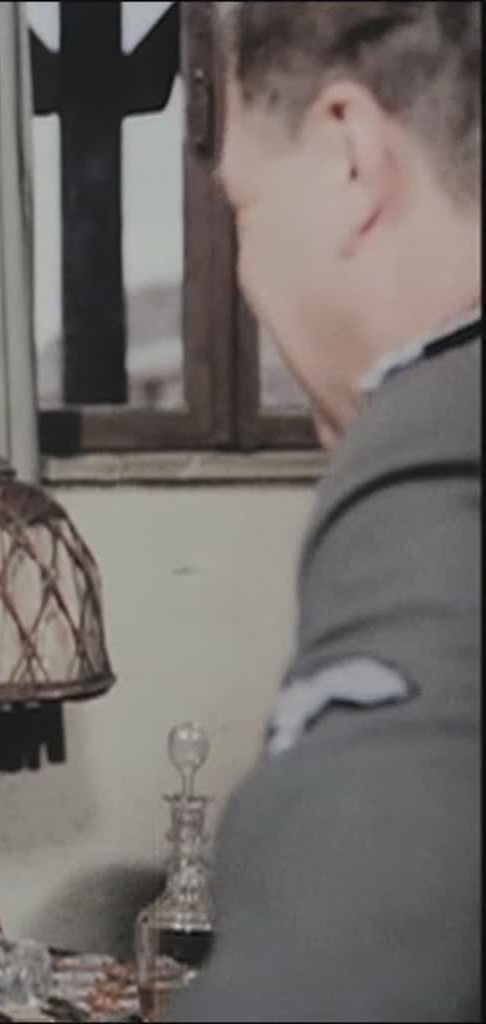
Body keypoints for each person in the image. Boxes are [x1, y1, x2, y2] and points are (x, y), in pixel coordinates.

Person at [168, 3, 480, 1020]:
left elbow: (337, 978)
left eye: (244, 208)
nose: (246, 272)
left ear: (351, 158)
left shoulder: (436, 459)